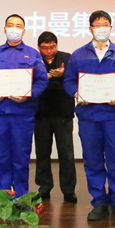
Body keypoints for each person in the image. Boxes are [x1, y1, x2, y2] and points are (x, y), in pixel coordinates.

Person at [64, 11, 115, 222]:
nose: (102, 28)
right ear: (90, 29)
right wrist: (77, 93)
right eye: (98, 25)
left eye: (105, 24)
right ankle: (99, 202)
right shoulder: (78, 55)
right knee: (93, 160)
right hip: (89, 116)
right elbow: (69, 81)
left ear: (111, 28)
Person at [0, 14, 48, 199]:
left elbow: (42, 80)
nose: (14, 29)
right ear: (4, 29)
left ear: (23, 31)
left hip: (23, 114)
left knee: (21, 158)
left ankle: (21, 198)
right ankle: (5, 199)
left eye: (18, 26)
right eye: (10, 25)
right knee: (2, 158)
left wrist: (28, 94)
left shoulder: (33, 54)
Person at [34, 31, 77, 203]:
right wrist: (49, 76)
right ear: (39, 47)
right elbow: (31, 80)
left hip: (63, 112)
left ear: (57, 45)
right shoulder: (34, 59)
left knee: (66, 154)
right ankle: (44, 187)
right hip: (41, 113)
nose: (49, 51)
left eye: (52, 47)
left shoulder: (67, 58)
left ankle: (68, 190)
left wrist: (64, 74)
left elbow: (75, 78)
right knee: (42, 153)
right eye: (45, 48)